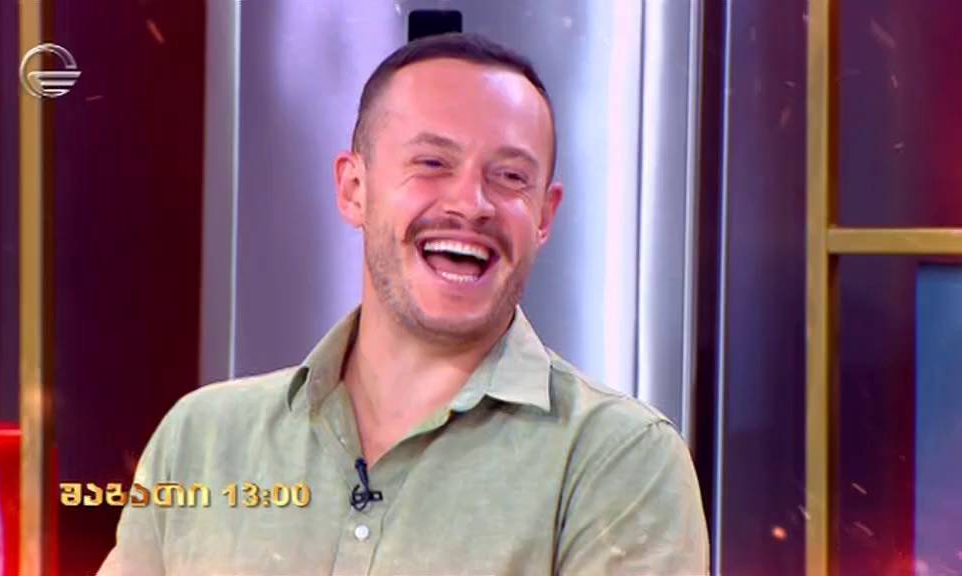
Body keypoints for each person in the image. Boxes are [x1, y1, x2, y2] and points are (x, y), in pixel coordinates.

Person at [98, 32, 709, 576]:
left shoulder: (620, 461)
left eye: (509, 177)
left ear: (545, 217)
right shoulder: (202, 440)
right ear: (353, 189)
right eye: (432, 163)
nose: (471, 204)